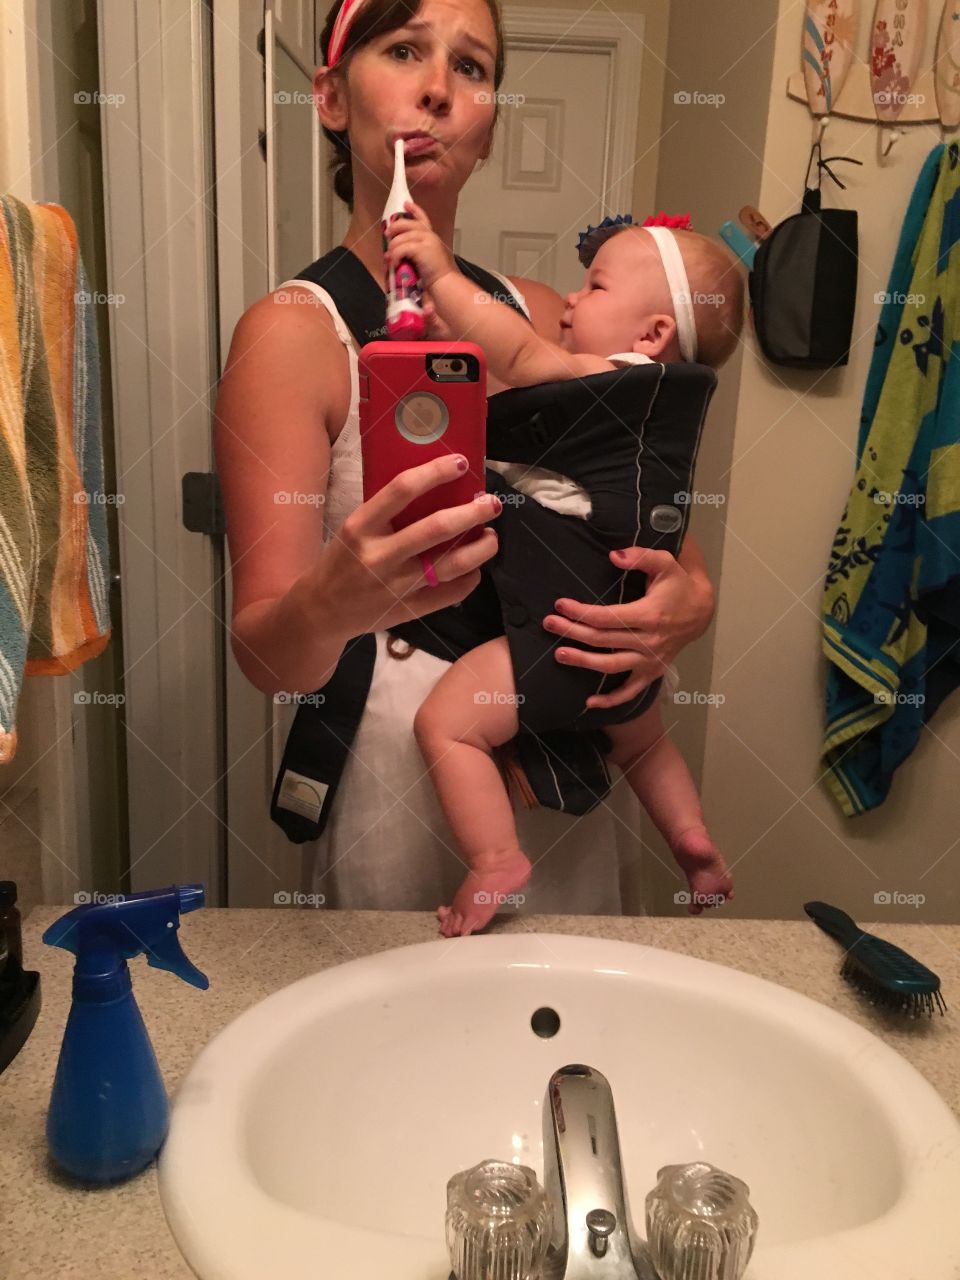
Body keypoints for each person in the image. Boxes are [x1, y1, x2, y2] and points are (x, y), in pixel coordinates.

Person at [214, 0, 719, 915]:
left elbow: (629, 495)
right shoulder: (290, 335)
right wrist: (331, 601)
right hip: (401, 776)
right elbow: (264, 655)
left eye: (473, 67)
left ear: (489, 130)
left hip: (566, 742)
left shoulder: (538, 315)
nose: (439, 89)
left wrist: (689, 596)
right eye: (404, 51)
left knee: (584, 1041)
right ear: (331, 97)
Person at [383, 201, 742, 935]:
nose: (572, 298)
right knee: (643, 742)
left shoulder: (608, 375)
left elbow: (516, 357)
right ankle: (691, 839)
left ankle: (494, 859)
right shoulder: (653, 414)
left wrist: (441, 271)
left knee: (447, 726)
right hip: (623, 645)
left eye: (598, 286)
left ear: (652, 335)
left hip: (563, 634)